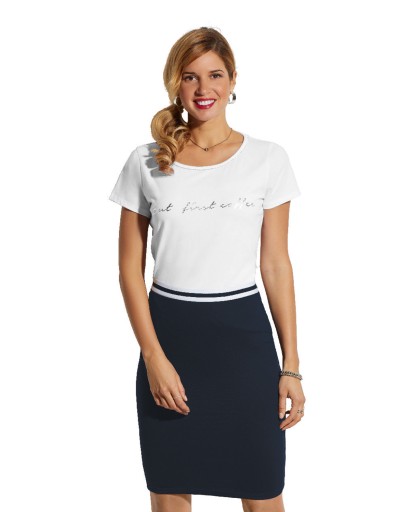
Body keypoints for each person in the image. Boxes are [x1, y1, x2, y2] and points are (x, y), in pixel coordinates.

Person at [109, 26, 306, 512]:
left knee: (263, 492)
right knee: (170, 491)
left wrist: (291, 366)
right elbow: (129, 270)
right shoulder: (146, 161)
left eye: (215, 75)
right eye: (190, 76)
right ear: (174, 83)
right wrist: (153, 358)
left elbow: (276, 265)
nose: (203, 88)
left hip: (244, 346)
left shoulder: (268, 159)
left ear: (233, 80)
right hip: (170, 340)